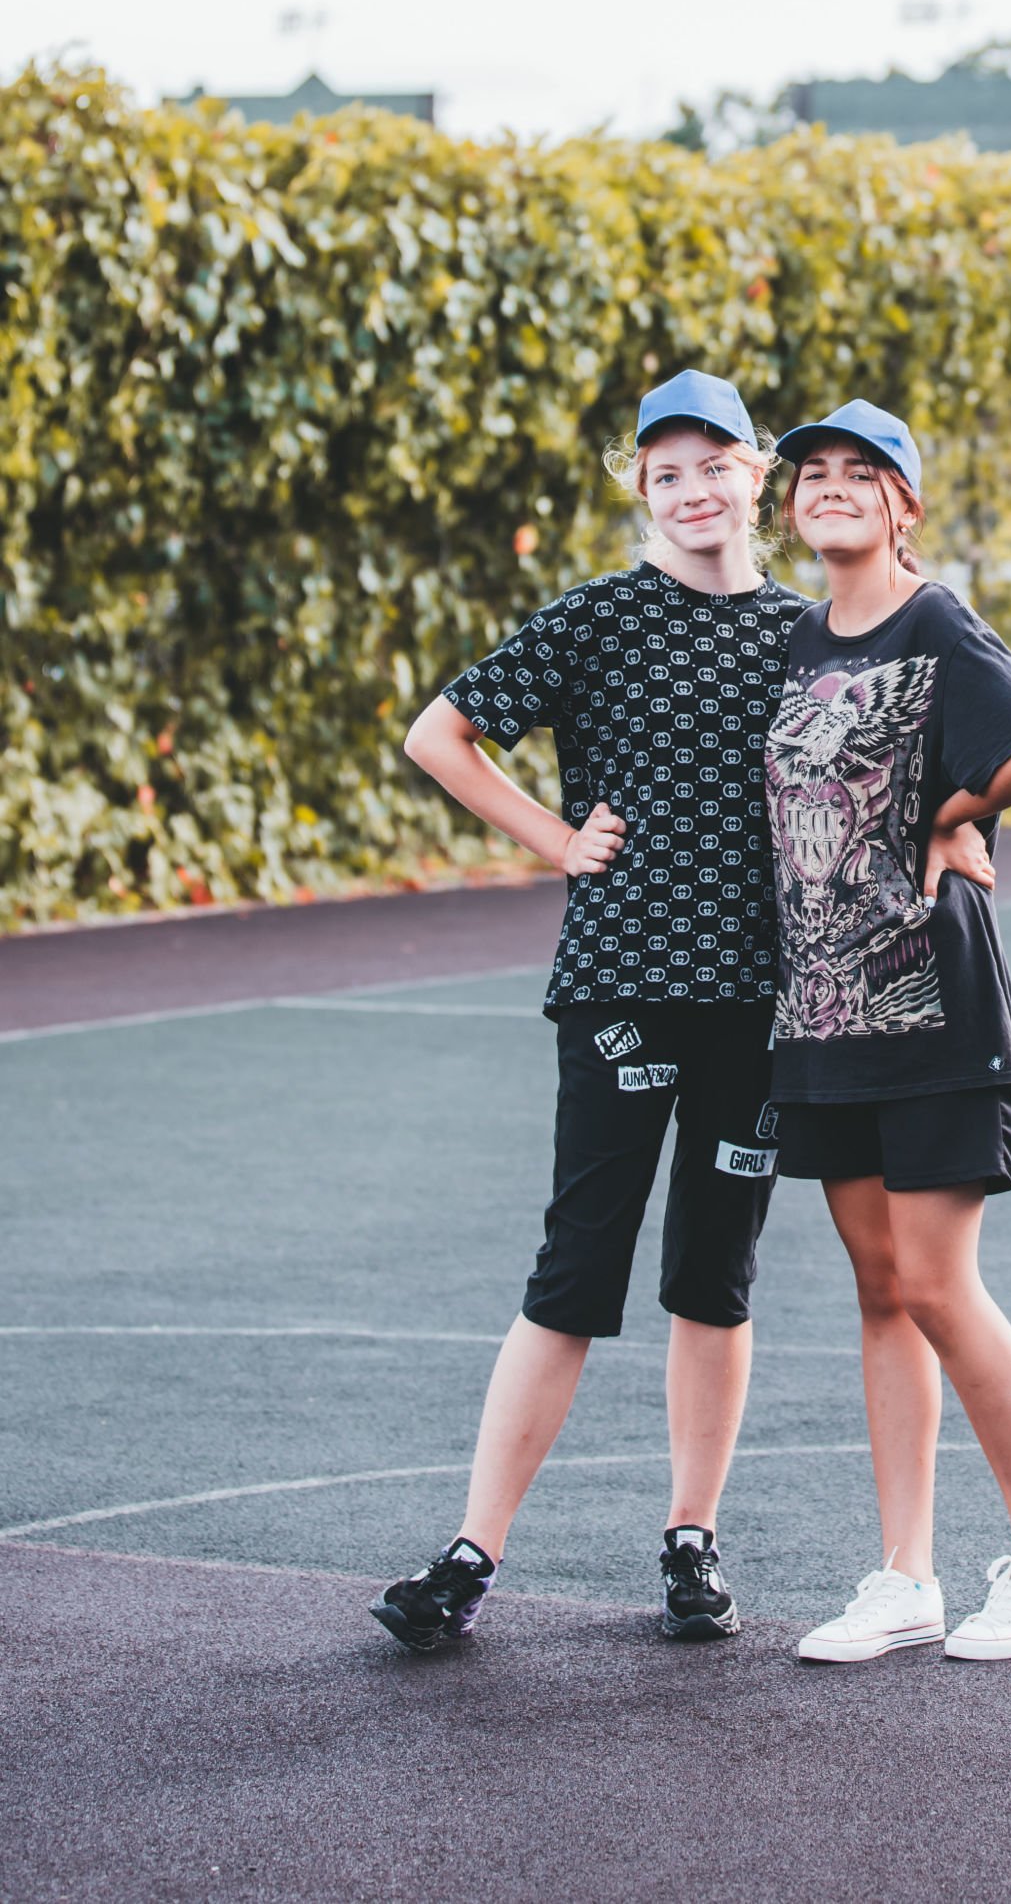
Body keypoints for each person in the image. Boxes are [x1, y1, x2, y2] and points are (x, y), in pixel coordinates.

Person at [368, 370, 805, 1653]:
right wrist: (554, 840)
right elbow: (438, 736)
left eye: (713, 466)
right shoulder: (598, 617)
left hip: (757, 1004)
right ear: (641, 490)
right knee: (574, 1270)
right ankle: (471, 1553)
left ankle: (691, 1540)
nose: (692, 490)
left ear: (755, 476)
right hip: (621, 990)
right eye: (666, 473)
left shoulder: (806, 633)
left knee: (713, 1276)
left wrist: (956, 831)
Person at [762, 400, 1011, 1663]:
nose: (832, 487)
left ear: (903, 504)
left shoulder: (935, 620)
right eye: (813, 473)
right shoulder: (797, 641)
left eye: (862, 473)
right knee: (878, 1290)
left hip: (930, 1004)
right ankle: (905, 1575)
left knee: (937, 1285)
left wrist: (942, 814)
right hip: (822, 1008)